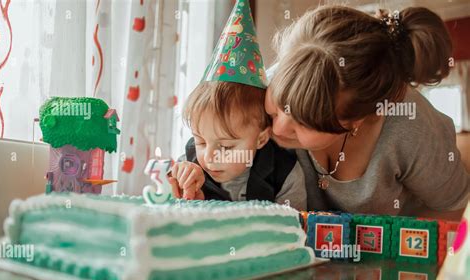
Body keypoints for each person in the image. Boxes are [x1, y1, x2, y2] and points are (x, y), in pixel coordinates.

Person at [265, 6, 469, 220]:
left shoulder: (414, 126)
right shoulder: (255, 89)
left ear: (355, 121)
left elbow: (455, 208)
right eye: (278, 103)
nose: (277, 127)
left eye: (305, 122)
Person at [168, 0, 307, 211]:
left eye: (226, 147)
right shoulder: (190, 163)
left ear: (261, 138)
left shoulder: (285, 173)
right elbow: (167, 211)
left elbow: (293, 229)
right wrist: (182, 187)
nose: (209, 156)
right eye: (201, 141)